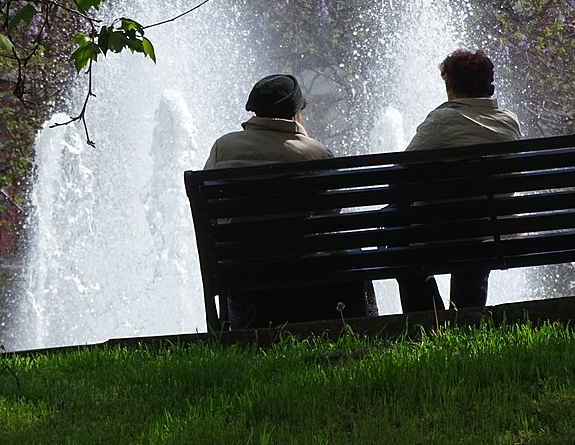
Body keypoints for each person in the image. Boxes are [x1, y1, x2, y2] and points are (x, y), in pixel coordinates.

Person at [204, 74, 377, 329]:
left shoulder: (222, 148)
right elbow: (331, 211)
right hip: (305, 266)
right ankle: (364, 324)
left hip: (244, 268)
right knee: (349, 246)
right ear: (296, 112)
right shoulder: (316, 153)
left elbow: (210, 209)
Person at [398, 49, 522, 312]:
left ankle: (429, 320)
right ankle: (466, 317)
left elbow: (402, 171)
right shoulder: (509, 123)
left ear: (450, 84)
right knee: (476, 231)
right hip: (493, 234)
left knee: (394, 231)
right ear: (488, 85)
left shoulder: (442, 121)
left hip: (442, 235)